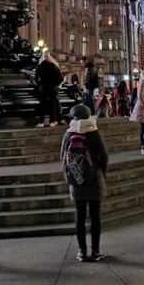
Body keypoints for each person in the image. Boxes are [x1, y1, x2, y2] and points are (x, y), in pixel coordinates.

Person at [61, 104, 108, 262]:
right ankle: (96, 250)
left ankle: (82, 250)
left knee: (79, 216)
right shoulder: (94, 132)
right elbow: (104, 157)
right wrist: (101, 173)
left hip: (76, 180)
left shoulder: (69, 134)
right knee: (95, 216)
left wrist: (70, 177)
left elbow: (63, 158)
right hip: (95, 179)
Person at [35, 50, 63, 127]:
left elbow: (36, 78)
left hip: (44, 88)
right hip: (53, 88)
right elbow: (60, 78)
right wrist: (56, 85)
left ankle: (41, 122)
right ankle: (52, 121)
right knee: (52, 105)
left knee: (42, 105)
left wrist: (39, 85)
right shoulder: (54, 65)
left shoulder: (41, 65)